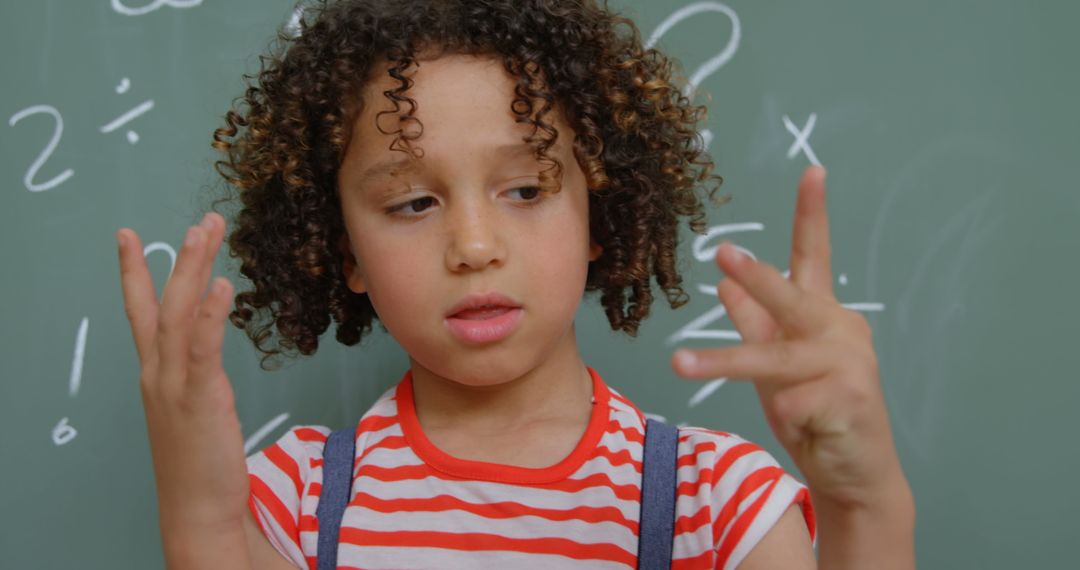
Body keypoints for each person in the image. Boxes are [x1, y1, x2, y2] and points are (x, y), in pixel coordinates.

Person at [115, 1, 914, 568]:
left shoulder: (716, 503)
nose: (472, 245)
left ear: (602, 206)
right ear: (342, 249)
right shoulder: (294, 500)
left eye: (526, 191)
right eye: (412, 202)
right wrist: (202, 518)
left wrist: (864, 502)